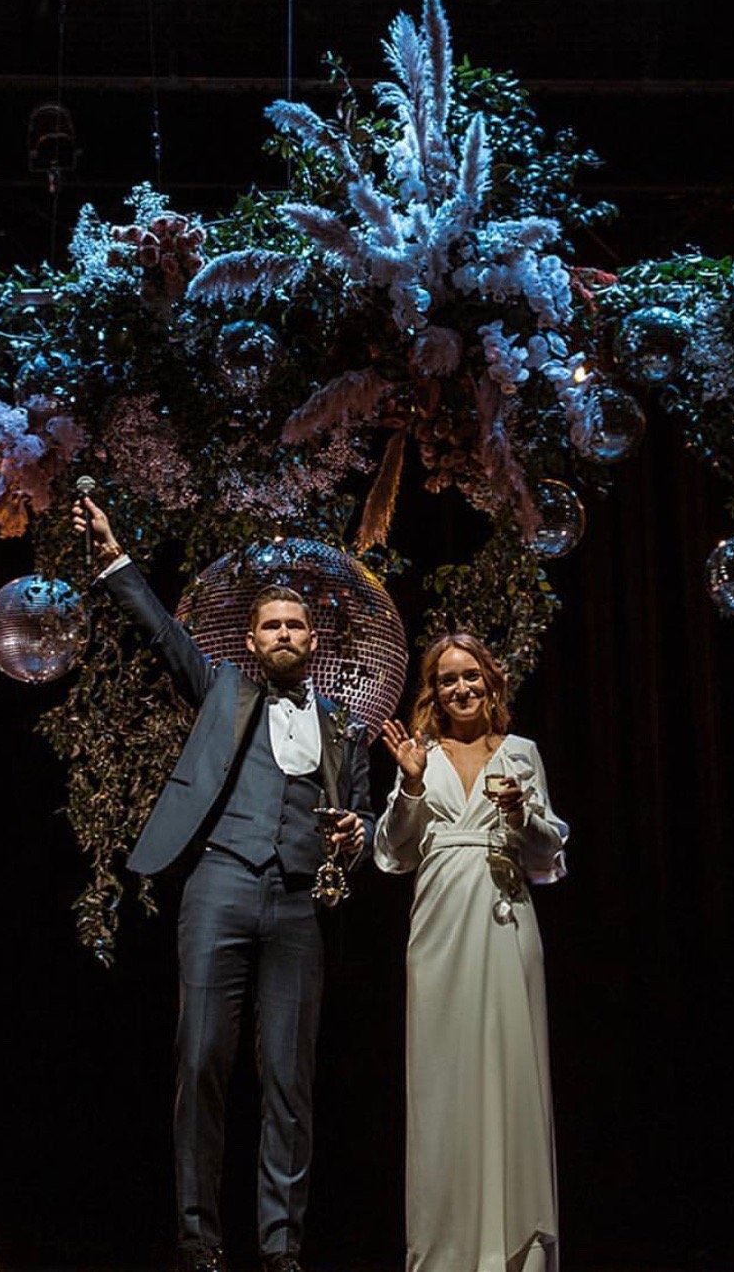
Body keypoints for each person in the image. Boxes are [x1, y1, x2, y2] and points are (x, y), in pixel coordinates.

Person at [72, 494, 374, 1272]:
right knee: (201, 1058)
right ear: (249, 640)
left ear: (314, 641)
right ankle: (199, 1239)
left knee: (288, 1077)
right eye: (270, 625)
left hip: (301, 904)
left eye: (295, 625)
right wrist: (113, 555)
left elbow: (363, 818)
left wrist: (355, 831)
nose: (283, 634)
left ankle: (281, 1244)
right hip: (221, 886)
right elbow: (162, 632)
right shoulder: (222, 691)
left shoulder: (344, 724)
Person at [376, 632, 568, 1272]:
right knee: (442, 1079)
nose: (461, 689)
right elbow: (391, 853)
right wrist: (407, 788)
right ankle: (446, 1251)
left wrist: (519, 817)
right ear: (434, 691)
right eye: (447, 679)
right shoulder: (419, 757)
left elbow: (548, 857)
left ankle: (516, 1252)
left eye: (471, 677)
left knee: (510, 1073)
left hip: (506, 920)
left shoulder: (521, 753)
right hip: (438, 926)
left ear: (492, 684)